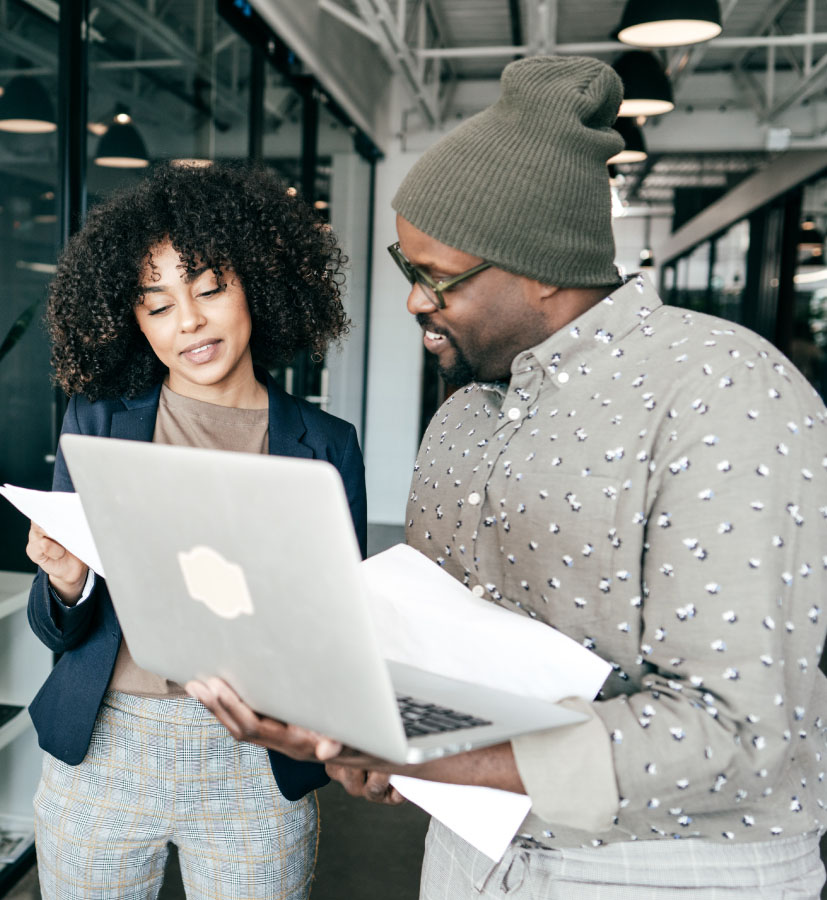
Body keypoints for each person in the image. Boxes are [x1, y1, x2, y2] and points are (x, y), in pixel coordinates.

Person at [189, 57, 827, 898]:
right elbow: (436, 662)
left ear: (543, 268)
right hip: (469, 850)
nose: (414, 301)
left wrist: (440, 754)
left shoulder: (723, 390)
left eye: (435, 277)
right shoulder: (461, 416)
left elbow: (739, 731)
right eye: (404, 266)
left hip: (666, 870)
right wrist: (365, 743)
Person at [25, 162, 366, 900]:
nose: (188, 322)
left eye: (209, 288)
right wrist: (67, 581)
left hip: (254, 759)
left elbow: (340, 628)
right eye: (156, 306)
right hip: (105, 749)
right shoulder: (97, 421)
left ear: (261, 284)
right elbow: (56, 631)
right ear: (132, 320)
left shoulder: (325, 444)